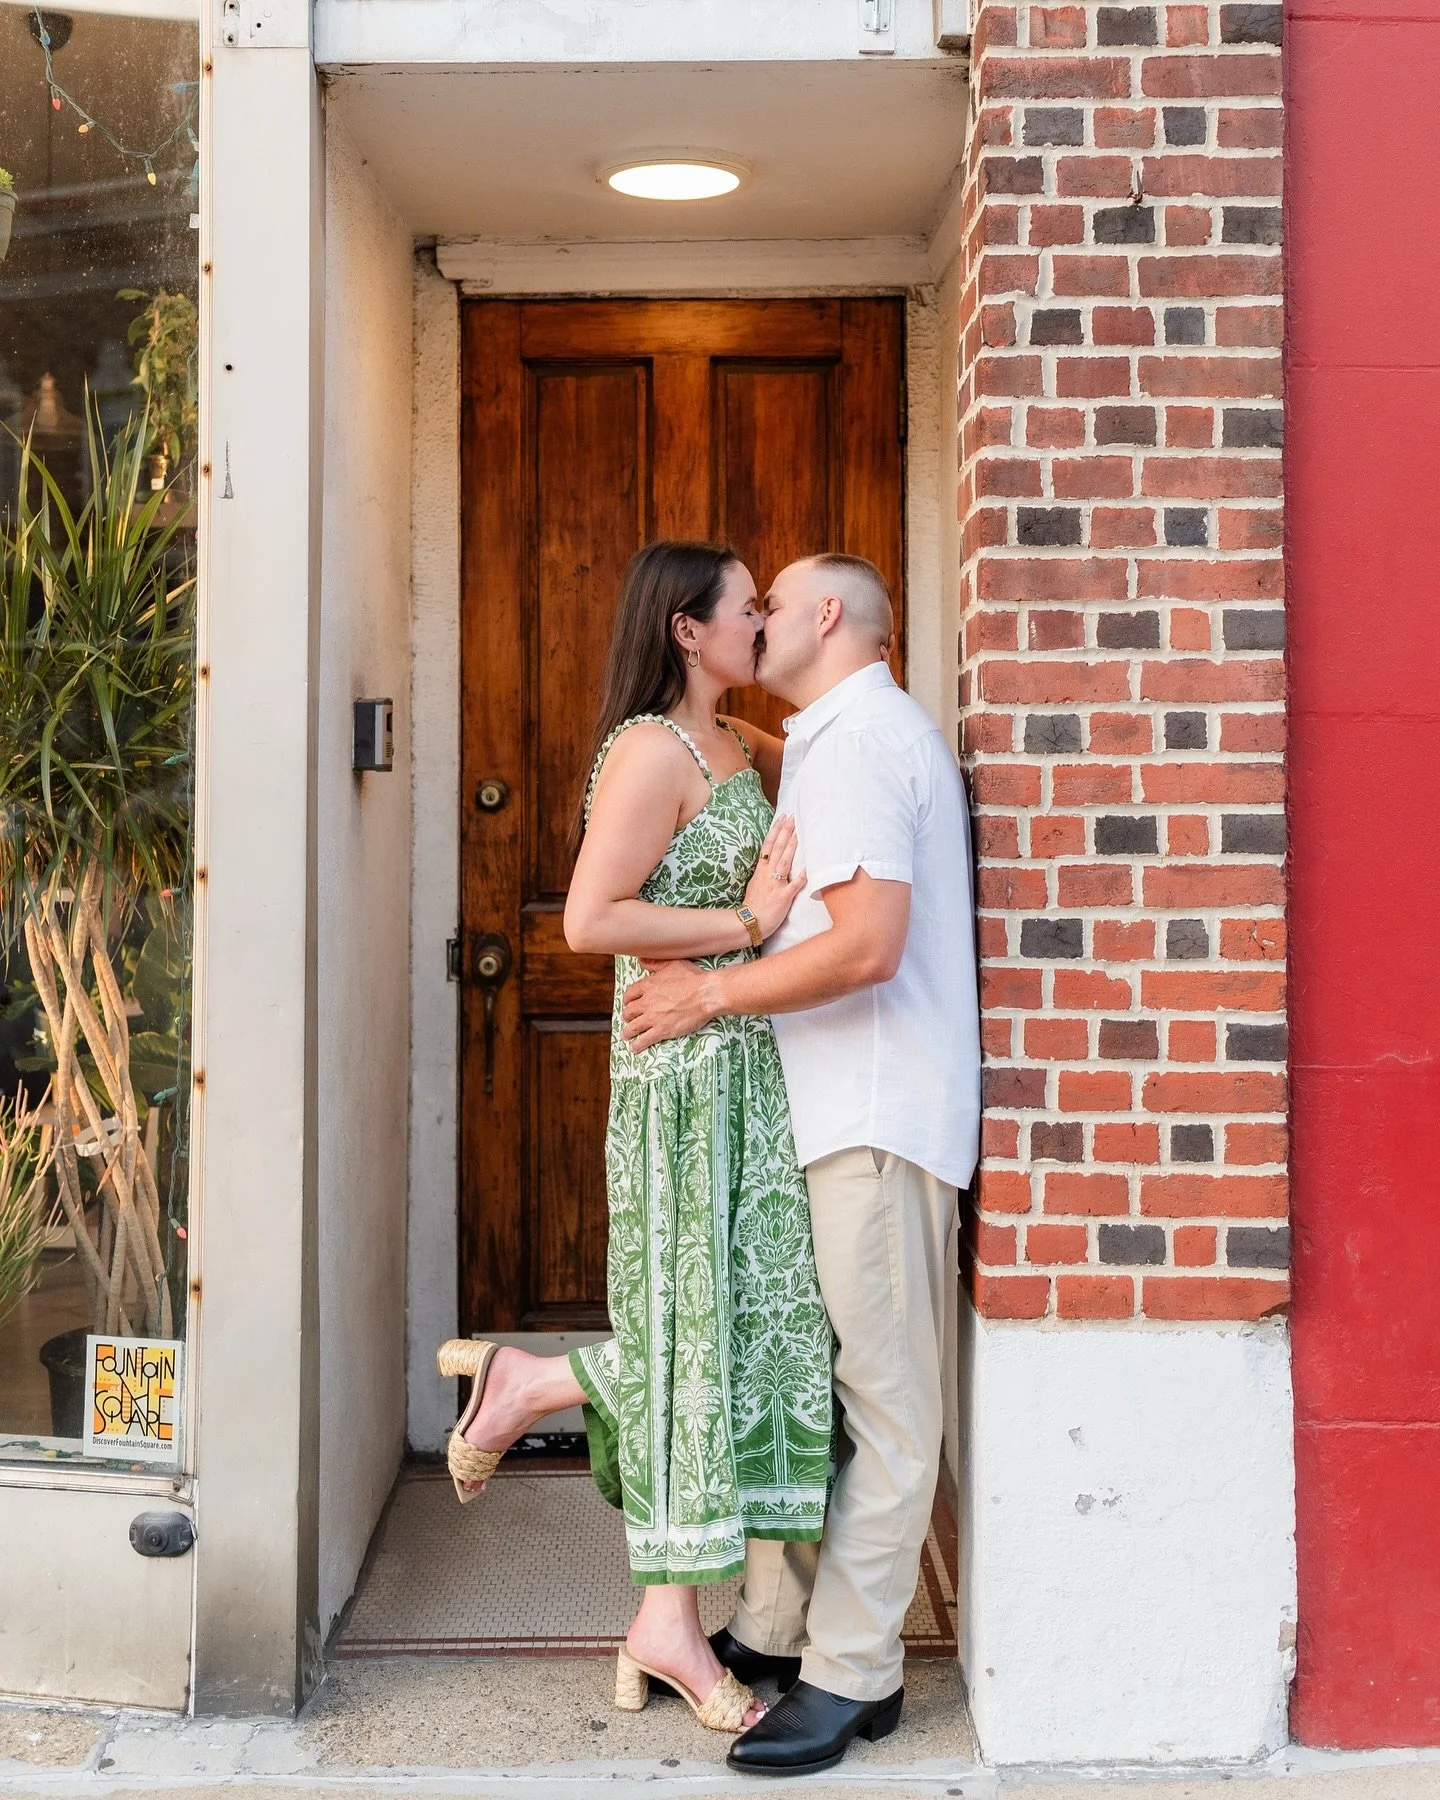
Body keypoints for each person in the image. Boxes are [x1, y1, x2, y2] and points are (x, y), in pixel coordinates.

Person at [434, 541, 833, 1736]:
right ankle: (667, 1620)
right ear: (686, 630)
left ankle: (539, 1392)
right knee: (693, 1337)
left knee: (734, 1339)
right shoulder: (651, 752)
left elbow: (824, 753)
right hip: (678, 1081)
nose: (762, 621)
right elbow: (590, 917)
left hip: (744, 1071)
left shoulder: (733, 742)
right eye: (747, 607)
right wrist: (744, 923)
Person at [621, 552, 981, 1777]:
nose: (759, 619)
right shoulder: (833, 740)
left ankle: (853, 1675)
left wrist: (709, 993)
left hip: (874, 1123)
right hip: (828, 1119)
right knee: (818, 1391)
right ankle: (782, 1630)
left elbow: (870, 944)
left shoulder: (867, 743)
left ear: (827, 616)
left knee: (885, 1409)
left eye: (773, 602)